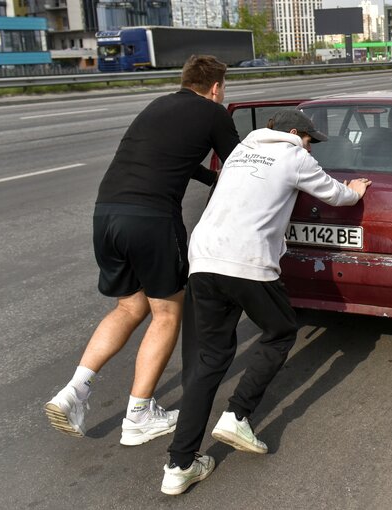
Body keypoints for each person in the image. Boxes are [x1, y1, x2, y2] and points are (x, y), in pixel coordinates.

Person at [160, 109, 371, 495]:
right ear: (294, 133)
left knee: (207, 362)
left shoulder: (240, 150)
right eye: (310, 139)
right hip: (249, 261)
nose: (312, 148)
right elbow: (334, 195)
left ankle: (179, 465)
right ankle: (237, 414)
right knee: (280, 330)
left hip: (204, 259)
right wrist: (355, 190)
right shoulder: (294, 156)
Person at [44, 55, 240, 446]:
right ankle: (138, 415)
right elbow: (241, 165)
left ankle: (74, 391)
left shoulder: (157, 106)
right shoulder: (213, 113)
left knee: (129, 307)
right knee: (167, 312)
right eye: (224, 88)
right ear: (216, 87)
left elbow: (169, 159)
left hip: (107, 214)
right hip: (151, 219)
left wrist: (206, 176)